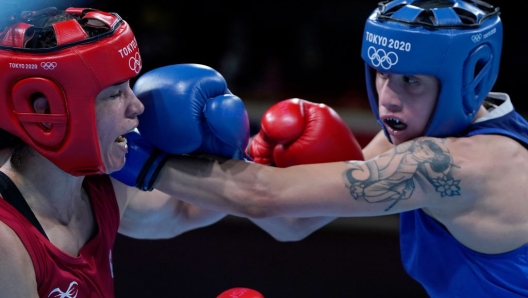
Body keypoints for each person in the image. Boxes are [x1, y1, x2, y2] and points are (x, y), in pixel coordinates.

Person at [113, 0, 528, 297]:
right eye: (383, 74)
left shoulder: (456, 164)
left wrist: (124, 150)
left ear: (469, 78)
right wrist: (229, 156)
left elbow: (263, 197)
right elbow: (294, 224)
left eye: (412, 81)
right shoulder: (421, 134)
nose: (389, 99)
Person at [0, 6, 363, 297]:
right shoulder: (7, 242)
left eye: (129, 87)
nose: (136, 107)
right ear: (47, 111)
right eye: (114, 95)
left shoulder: (102, 188)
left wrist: (248, 155)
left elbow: (182, 209)